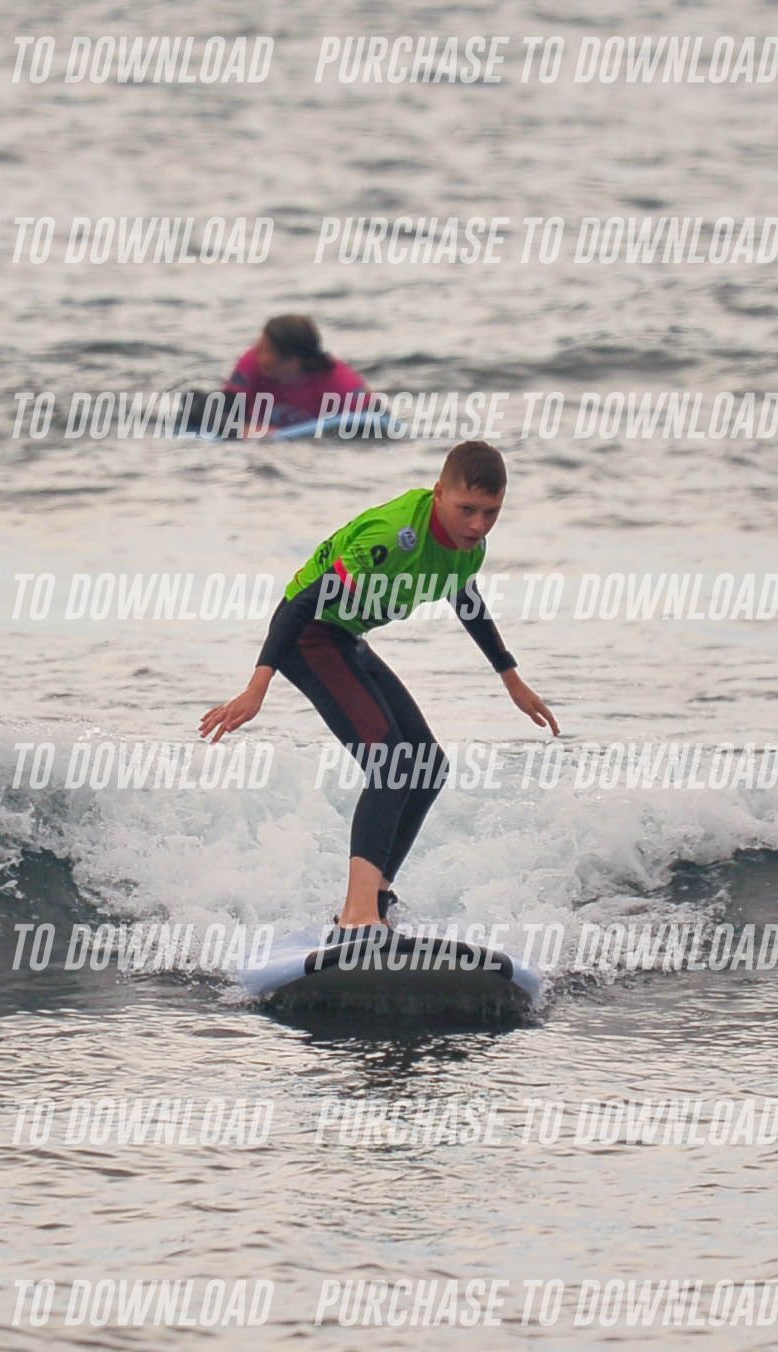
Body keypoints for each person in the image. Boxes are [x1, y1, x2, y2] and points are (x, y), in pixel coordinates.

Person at [199, 440, 558, 938]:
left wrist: (510, 677)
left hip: (345, 637)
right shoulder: (394, 537)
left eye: (491, 512)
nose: (478, 525)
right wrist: (257, 686)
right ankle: (357, 916)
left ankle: (378, 902)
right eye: (467, 510)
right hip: (309, 634)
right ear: (439, 494)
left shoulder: (468, 548)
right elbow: (301, 603)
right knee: (392, 763)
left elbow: (464, 596)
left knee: (427, 766)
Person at [222, 314, 371, 429]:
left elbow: (377, 421)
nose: (259, 356)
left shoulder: (340, 381)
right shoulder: (251, 363)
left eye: (267, 350)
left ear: (293, 361)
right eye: (259, 346)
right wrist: (243, 430)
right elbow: (218, 413)